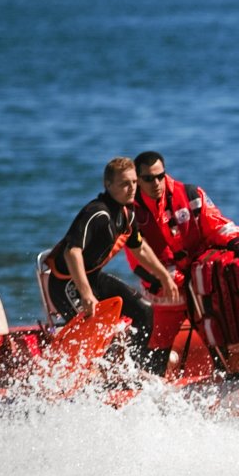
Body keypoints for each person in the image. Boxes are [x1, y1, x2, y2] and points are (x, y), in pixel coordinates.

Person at [45, 157, 179, 372]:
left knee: (144, 311)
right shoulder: (98, 213)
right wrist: (87, 294)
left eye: (134, 182)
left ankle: (137, 372)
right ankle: (101, 382)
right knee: (101, 330)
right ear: (108, 185)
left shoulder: (127, 212)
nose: (132, 188)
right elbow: (72, 252)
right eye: (125, 183)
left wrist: (163, 276)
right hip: (68, 285)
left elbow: (139, 247)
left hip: (94, 278)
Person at [127, 151, 239, 289]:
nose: (156, 183)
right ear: (137, 180)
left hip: (201, 282)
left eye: (160, 176)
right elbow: (140, 263)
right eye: (148, 179)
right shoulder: (130, 214)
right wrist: (183, 281)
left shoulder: (190, 195)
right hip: (167, 293)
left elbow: (216, 225)